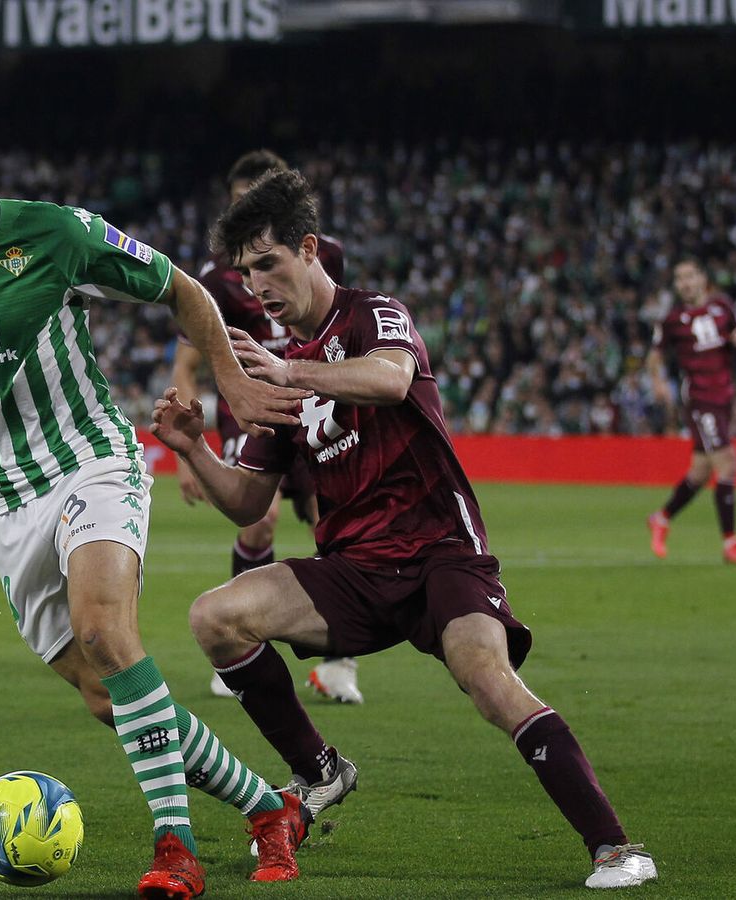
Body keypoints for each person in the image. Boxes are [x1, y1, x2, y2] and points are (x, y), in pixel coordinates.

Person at [0, 76, 314, 899]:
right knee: (108, 695)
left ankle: (176, 850)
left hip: (90, 460)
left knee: (105, 632)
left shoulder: (55, 235)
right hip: (2, 500)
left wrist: (232, 380)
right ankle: (268, 807)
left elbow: (183, 289)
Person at [149, 170, 658, 889]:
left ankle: (614, 848)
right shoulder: (279, 367)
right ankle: (319, 771)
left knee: (488, 679)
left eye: (268, 263)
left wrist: (291, 373)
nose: (257, 285)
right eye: (245, 272)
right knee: (216, 618)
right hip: (353, 569)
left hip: (440, 552)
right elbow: (247, 502)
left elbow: (390, 380)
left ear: (309, 249)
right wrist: (193, 450)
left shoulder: (372, 315)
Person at [172, 150, 364, 705]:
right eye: (238, 205)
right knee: (262, 519)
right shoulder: (214, 279)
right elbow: (187, 363)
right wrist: (190, 453)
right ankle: (240, 651)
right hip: (251, 409)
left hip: (313, 397)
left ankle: (338, 663)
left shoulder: (327, 255)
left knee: (334, 520)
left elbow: (338, 323)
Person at [645, 259, 736, 564]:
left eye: (690, 276)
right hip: (700, 398)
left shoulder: (723, 306)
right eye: (679, 278)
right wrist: (658, 383)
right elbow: (654, 356)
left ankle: (661, 518)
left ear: (702, 279)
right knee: (728, 463)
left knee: (701, 471)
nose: (685, 283)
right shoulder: (672, 319)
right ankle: (731, 543)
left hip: (725, 395)